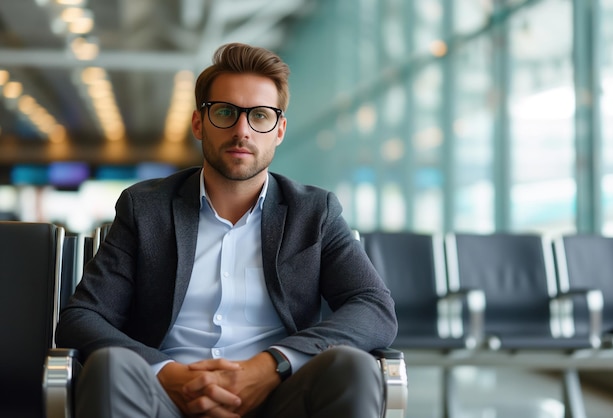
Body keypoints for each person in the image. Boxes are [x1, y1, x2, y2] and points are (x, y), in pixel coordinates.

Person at [55, 42, 397, 418]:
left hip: (279, 398)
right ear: (199, 123)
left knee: (353, 367)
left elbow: (373, 307)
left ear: (279, 130)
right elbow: (82, 317)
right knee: (112, 368)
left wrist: (271, 366)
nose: (242, 130)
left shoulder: (314, 212)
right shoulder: (145, 208)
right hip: (166, 399)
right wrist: (170, 375)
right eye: (225, 112)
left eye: (260, 116)